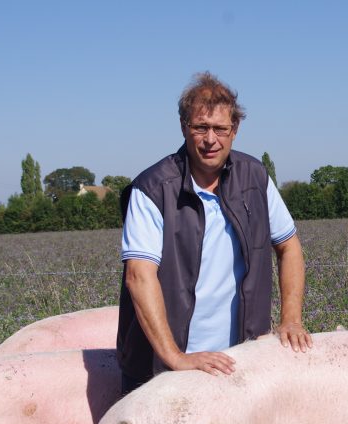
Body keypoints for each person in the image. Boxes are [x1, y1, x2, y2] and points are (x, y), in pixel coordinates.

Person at [117, 72, 312, 395]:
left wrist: (291, 318)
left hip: (237, 360)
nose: (211, 139)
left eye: (221, 129)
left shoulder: (255, 178)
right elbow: (139, 276)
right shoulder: (152, 189)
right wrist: (175, 357)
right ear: (184, 127)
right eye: (200, 127)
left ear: (234, 131)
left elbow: (289, 246)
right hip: (162, 370)